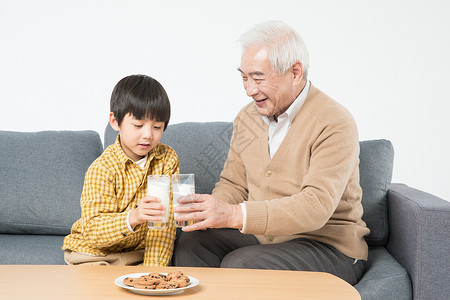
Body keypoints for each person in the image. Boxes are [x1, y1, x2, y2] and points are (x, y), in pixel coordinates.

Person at [173, 20, 370, 285]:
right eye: (244, 77)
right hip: (264, 239)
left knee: (241, 265)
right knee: (192, 243)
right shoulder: (247, 118)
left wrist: (233, 215)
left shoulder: (334, 122)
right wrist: (212, 212)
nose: (249, 90)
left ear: (295, 72)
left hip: (328, 247)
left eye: (258, 78)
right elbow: (234, 184)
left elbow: (316, 205)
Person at [62, 74, 179, 266]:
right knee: (101, 289)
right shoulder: (102, 168)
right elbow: (93, 233)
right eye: (138, 125)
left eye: (157, 127)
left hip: (136, 254)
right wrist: (134, 217)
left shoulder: (167, 159)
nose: (148, 135)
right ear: (115, 121)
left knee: (154, 288)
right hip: (94, 254)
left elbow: (163, 227)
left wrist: (152, 273)